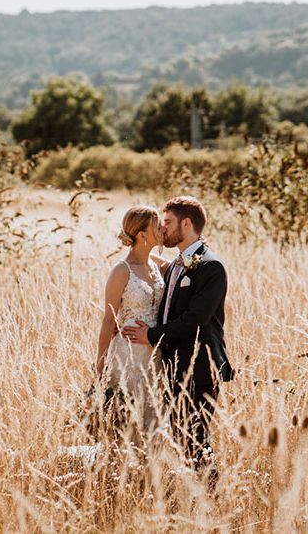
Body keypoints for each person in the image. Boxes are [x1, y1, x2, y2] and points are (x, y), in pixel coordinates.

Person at [121, 196, 234, 478]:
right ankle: (194, 496)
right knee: (182, 438)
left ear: (187, 223)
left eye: (168, 223)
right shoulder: (175, 266)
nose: (163, 230)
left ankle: (211, 498)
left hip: (200, 367)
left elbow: (194, 320)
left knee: (195, 440)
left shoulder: (211, 267)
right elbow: (143, 264)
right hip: (173, 366)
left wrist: (151, 335)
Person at [96, 205, 170, 433]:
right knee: (128, 422)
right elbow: (109, 320)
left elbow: (178, 267)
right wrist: (100, 369)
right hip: (128, 355)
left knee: (155, 421)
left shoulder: (156, 265)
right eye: (157, 225)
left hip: (155, 353)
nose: (163, 228)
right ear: (142, 235)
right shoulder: (121, 270)